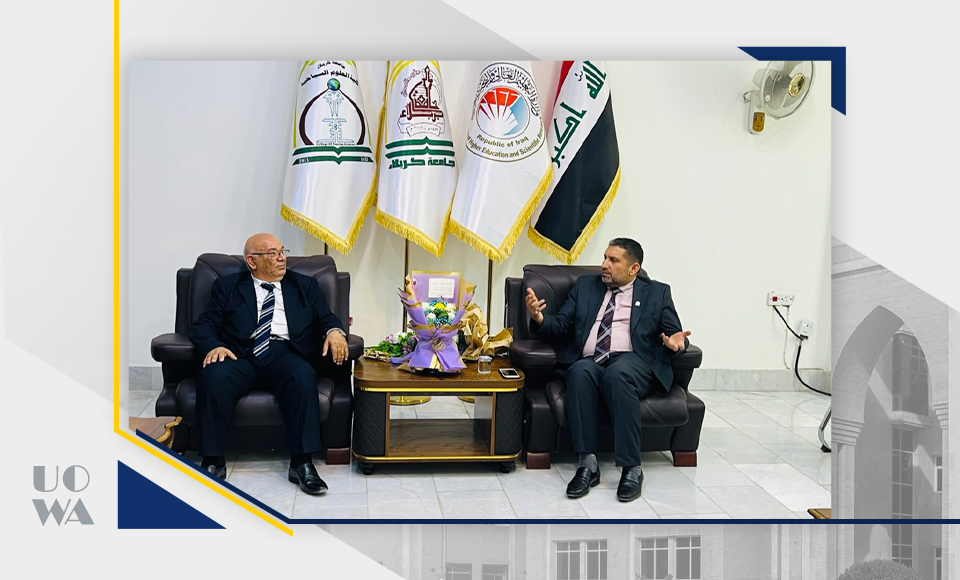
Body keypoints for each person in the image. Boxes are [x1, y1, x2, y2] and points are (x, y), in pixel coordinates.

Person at [525, 237, 691, 502]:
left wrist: (675, 344)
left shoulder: (657, 293)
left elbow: (675, 334)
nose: (604, 265)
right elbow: (562, 324)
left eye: (614, 260)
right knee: (579, 371)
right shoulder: (585, 286)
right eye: (605, 258)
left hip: (634, 362)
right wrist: (539, 317)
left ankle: (631, 468)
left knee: (619, 373)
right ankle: (588, 465)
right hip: (592, 360)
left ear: (633, 268)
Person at [190, 233, 350, 495]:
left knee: (302, 375)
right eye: (273, 253)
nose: (282, 258)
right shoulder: (228, 286)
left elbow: (325, 316)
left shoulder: (304, 286)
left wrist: (334, 331)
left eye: (282, 251)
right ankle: (213, 461)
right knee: (214, 376)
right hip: (239, 354)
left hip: (285, 353)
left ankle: (302, 464)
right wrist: (214, 346)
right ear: (252, 261)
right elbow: (204, 325)